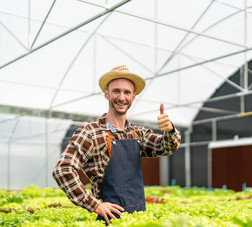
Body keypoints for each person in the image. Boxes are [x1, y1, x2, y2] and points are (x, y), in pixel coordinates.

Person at [52, 65, 181, 225]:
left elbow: (167, 147)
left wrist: (169, 130)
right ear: (106, 94)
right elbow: (63, 169)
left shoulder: (137, 133)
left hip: (137, 219)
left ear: (133, 97)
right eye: (116, 91)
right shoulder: (90, 133)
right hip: (109, 220)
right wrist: (94, 205)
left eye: (127, 92)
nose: (122, 97)